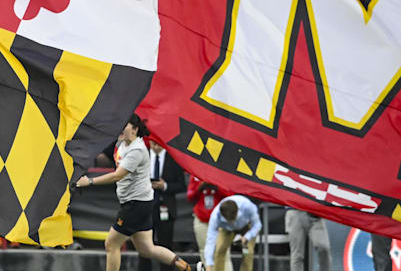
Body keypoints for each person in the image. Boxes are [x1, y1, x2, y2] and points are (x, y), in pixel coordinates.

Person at [74, 115, 191, 271]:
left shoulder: (137, 150)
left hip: (135, 205)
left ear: (135, 130)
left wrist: (89, 181)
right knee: (147, 249)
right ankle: (189, 267)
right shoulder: (121, 143)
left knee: (111, 244)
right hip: (140, 203)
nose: (121, 128)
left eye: (125, 125)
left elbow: (117, 175)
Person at [148, 140, 184, 271]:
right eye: (152, 143)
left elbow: (181, 185)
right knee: (144, 246)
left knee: (166, 245)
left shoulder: (173, 158)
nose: (154, 146)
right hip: (146, 207)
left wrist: (165, 186)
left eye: (157, 143)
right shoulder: (142, 155)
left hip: (166, 207)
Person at [198, 195, 261, 271]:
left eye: (233, 219)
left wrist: (247, 237)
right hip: (227, 229)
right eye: (229, 221)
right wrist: (208, 265)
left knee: (248, 253)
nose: (232, 222)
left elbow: (257, 225)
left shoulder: (247, 206)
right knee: (219, 250)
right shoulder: (215, 217)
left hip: (246, 227)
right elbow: (210, 241)